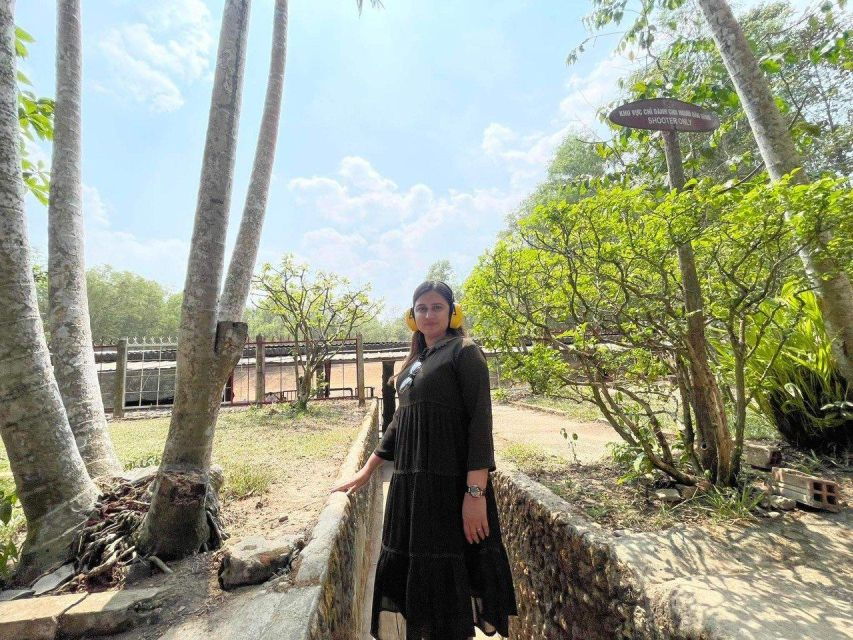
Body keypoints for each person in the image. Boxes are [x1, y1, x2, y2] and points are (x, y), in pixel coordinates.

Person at [332, 280, 517, 640]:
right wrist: (366, 471)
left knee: (447, 572)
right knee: (415, 575)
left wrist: (475, 495)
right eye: (421, 308)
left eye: (436, 307)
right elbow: (400, 423)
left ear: (452, 312)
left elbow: (481, 426)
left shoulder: (465, 352)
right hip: (411, 485)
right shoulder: (415, 362)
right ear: (412, 316)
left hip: (450, 485)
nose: (429, 314)